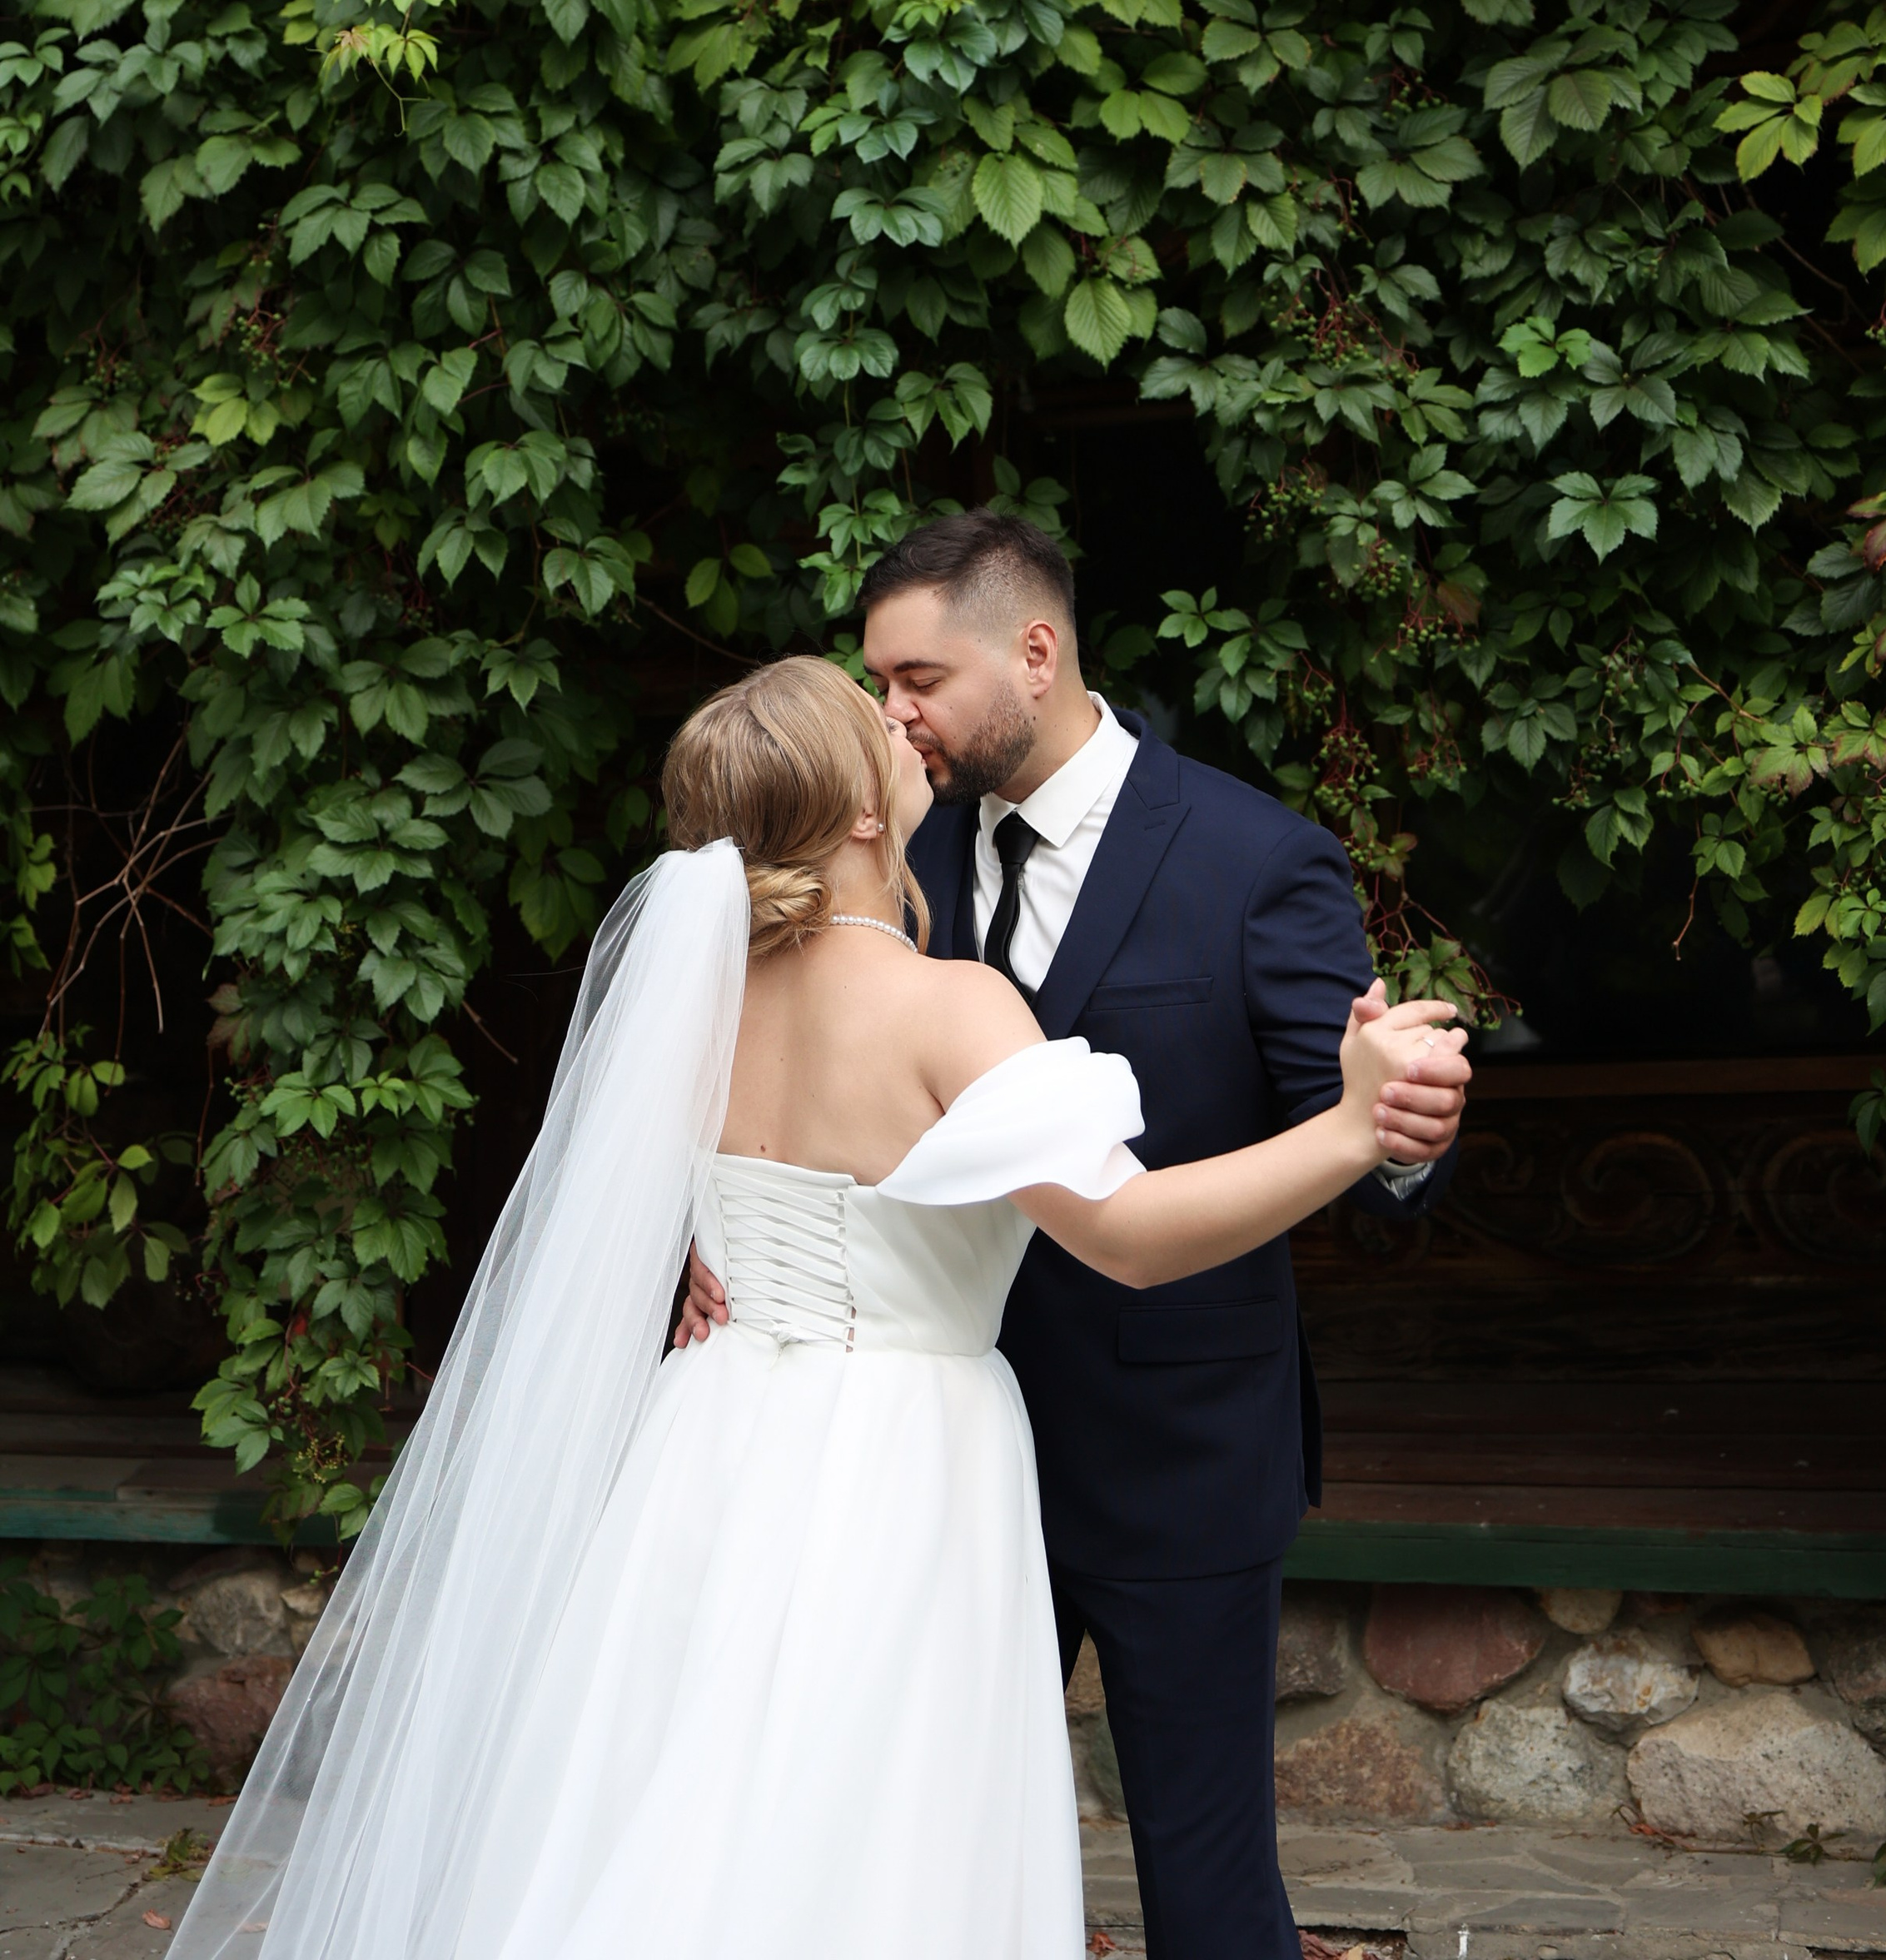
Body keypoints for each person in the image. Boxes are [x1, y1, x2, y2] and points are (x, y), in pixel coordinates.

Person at [170, 654, 1463, 1960]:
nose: (905, 727)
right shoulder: (950, 1004)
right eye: (876, 723)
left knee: (692, 1802)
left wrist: (700, 1250)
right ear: (857, 811)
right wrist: (1352, 1127)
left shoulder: (697, 1006)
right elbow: (1127, 1237)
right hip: (904, 1455)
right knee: (872, 1820)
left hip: (708, 1439)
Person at [679, 512, 1471, 1960]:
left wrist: (1398, 1129)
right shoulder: (887, 857)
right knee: (894, 1849)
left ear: (1034, 653)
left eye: (919, 679)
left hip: (1174, 1449)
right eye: (879, 689)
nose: (896, 717)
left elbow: (1352, 1116)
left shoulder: (1255, 856)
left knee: (1205, 1879)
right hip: (911, 1471)